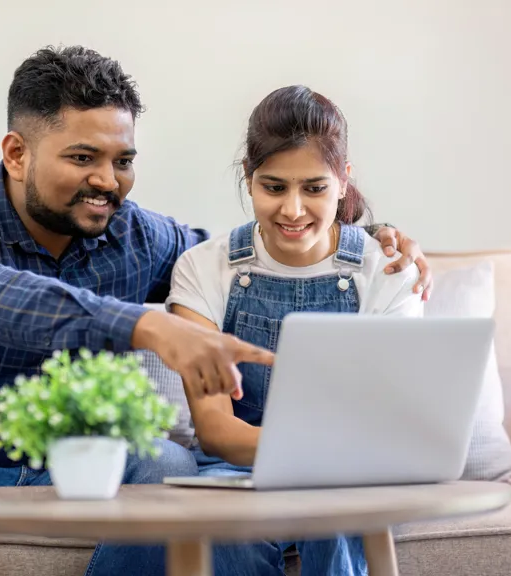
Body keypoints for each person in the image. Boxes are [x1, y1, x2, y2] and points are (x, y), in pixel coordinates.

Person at [0, 45, 429, 574]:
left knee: (166, 461)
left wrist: (368, 235)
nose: (109, 181)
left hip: (84, 464)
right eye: (83, 158)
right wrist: (146, 324)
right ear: (16, 153)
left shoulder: (135, 235)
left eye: (122, 161)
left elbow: (256, 250)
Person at [164, 86, 423, 574]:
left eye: (315, 188)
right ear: (249, 178)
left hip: (349, 474)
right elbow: (217, 430)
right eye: (274, 187)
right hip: (237, 468)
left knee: (335, 506)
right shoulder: (202, 268)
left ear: (344, 182)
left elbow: (389, 422)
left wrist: (327, 462)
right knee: (225, 532)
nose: (293, 210)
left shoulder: (388, 270)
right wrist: (319, 452)